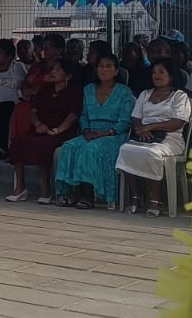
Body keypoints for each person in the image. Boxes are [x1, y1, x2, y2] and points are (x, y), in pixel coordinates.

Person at [52, 54, 135, 209]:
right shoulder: (88, 89)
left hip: (113, 135)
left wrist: (106, 133)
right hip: (90, 132)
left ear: (116, 71)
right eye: (101, 66)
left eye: (108, 66)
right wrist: (86, 131)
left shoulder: (124, 92)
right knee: (69, 146)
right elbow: (83, 116)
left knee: (90, 149)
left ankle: (88, 194)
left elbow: (125, 122)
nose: (104, 70)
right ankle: (72, 191)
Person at [116, 58, 192, 216]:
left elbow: (178, 122)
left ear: (171, 76)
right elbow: (136, 117)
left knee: (152, 154)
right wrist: (141, 130)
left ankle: (156, 199)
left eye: (161, 72)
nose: (156, 75)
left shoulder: (179, 96)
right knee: (125, 150)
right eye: (154, 72)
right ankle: (136, 197)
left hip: (170, 139)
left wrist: (151, 126)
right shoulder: (145, 94)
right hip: (145, 136)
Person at [6, 60, 83, 204]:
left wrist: (57, 130)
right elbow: (33, 110)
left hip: (62, 130)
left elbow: (72, 116)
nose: (53, 72)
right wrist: (38, 124)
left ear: (68, 75)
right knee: (18, 142)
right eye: (53, 69)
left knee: (45, 145)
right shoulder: (45, 89)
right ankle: (20, 186)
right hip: (40, 127)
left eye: (58, 70)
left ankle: (46, 187)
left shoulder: (75, 91)